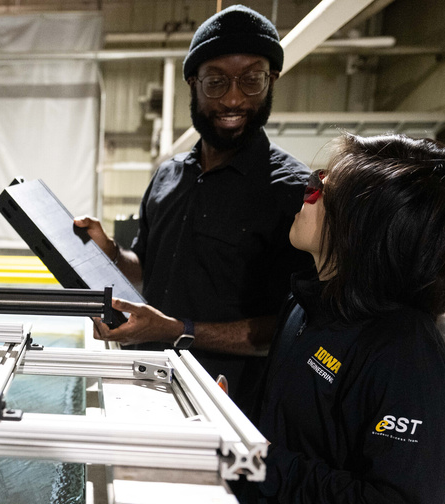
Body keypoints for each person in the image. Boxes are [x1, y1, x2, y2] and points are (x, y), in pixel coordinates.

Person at [230, 133, 445, 504]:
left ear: (365, 225)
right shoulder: (306, 305)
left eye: (323, 192)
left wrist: (263, 461)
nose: (306, 194)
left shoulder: (404, 352)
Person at [75, 5, 312, 405]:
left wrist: (174, 330)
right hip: (145, 388)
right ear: (193, 81)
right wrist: (112, 254)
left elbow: (292, 329)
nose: (234, 99)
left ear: (272, 80)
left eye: (252, 79)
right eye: (216, 82)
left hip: (229, 408)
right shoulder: (168, 177)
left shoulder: (292, 193)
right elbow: (150, 270)